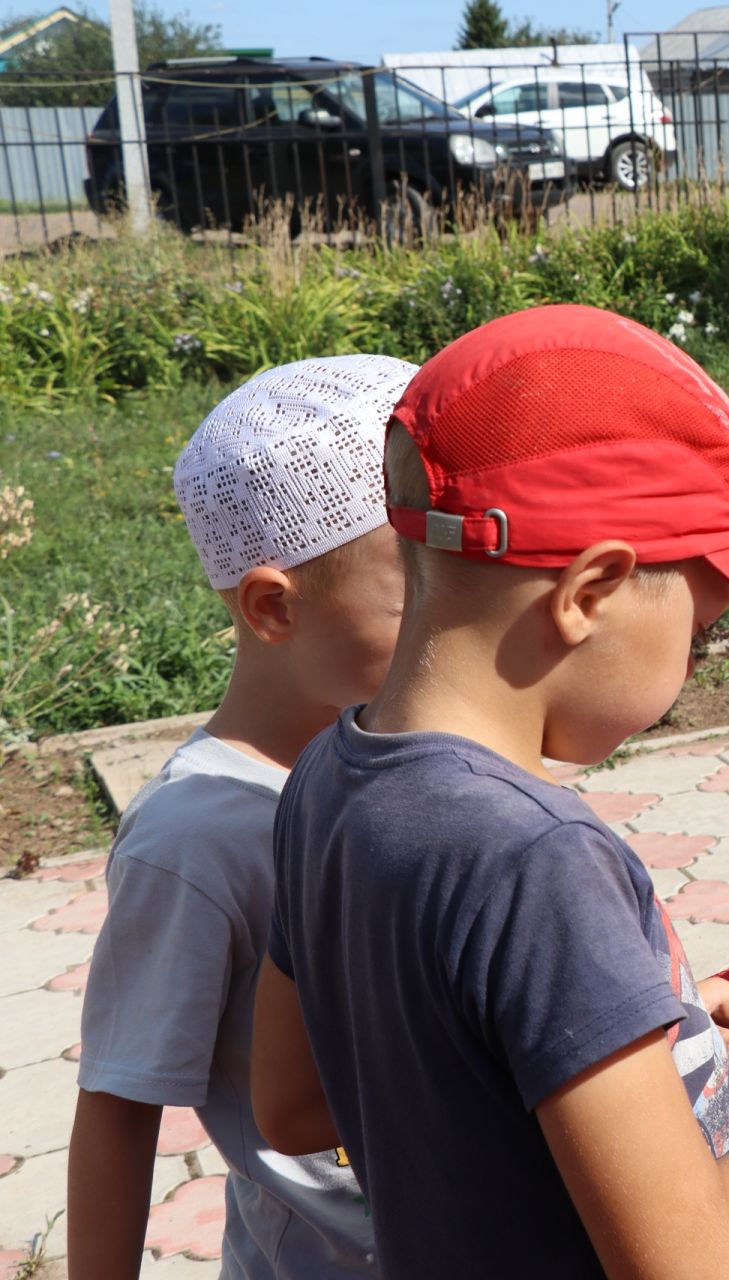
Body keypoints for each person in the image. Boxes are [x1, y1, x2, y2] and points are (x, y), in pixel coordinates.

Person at [250, 305, 729, 1279]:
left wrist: (647, 1054)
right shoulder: (538, 859)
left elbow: (294, 1100)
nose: (695, 655)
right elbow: (692, 1262)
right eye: (701, 621)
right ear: (591, 593)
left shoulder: (325, 778)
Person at [68, 355, 417, 1279]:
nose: (461, 621)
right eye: (420, 593)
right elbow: (119, 1097)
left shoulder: (407, 746)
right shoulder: (198, 839)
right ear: (274, 607)